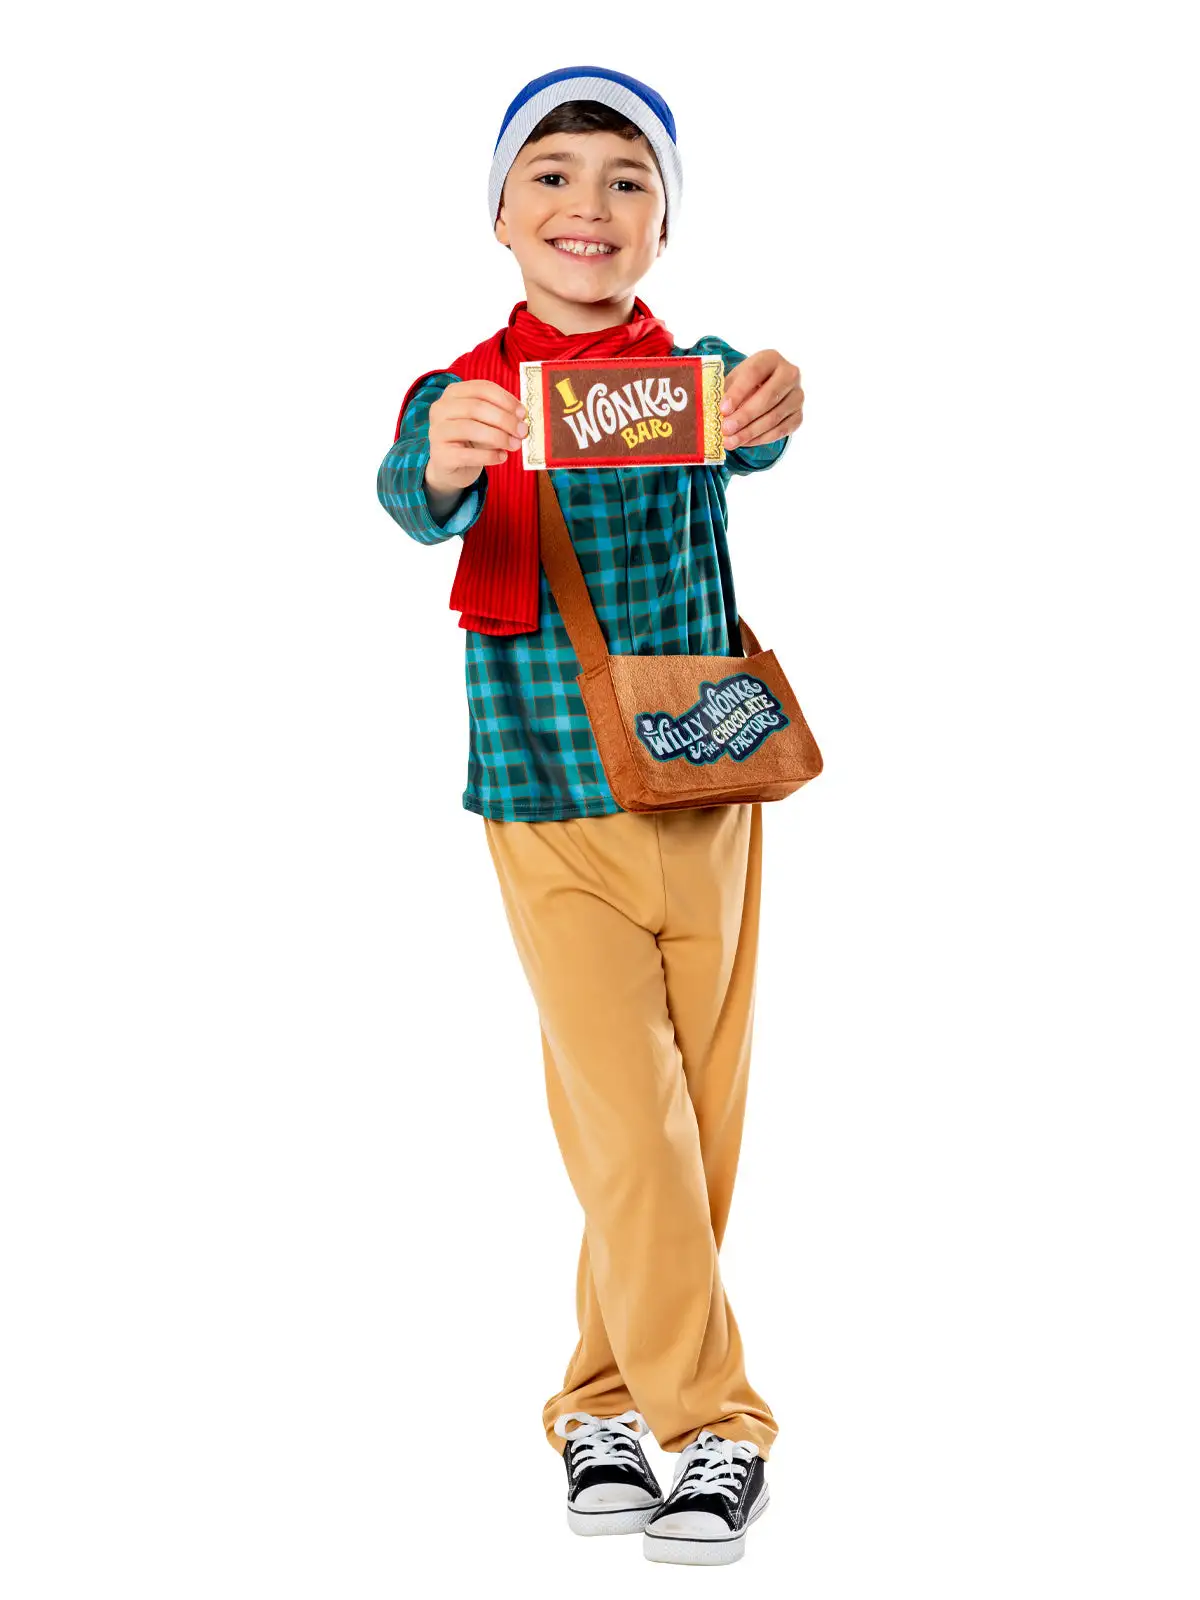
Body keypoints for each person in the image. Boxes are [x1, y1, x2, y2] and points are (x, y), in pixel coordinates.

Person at [376, 65, 804, 1567]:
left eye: (630, 183)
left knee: (696, 1121)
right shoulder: (463, 396)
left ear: (663, 227)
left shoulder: (698, 376)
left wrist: (774, 398)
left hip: (705, 782)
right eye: (551, 177)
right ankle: (717, 1421)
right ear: (499, 216)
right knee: (630, 1119)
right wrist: (447, 458)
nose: (590, 206)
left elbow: (760, 426)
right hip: (549, 798)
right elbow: (410, 490)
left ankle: (600, 1400)